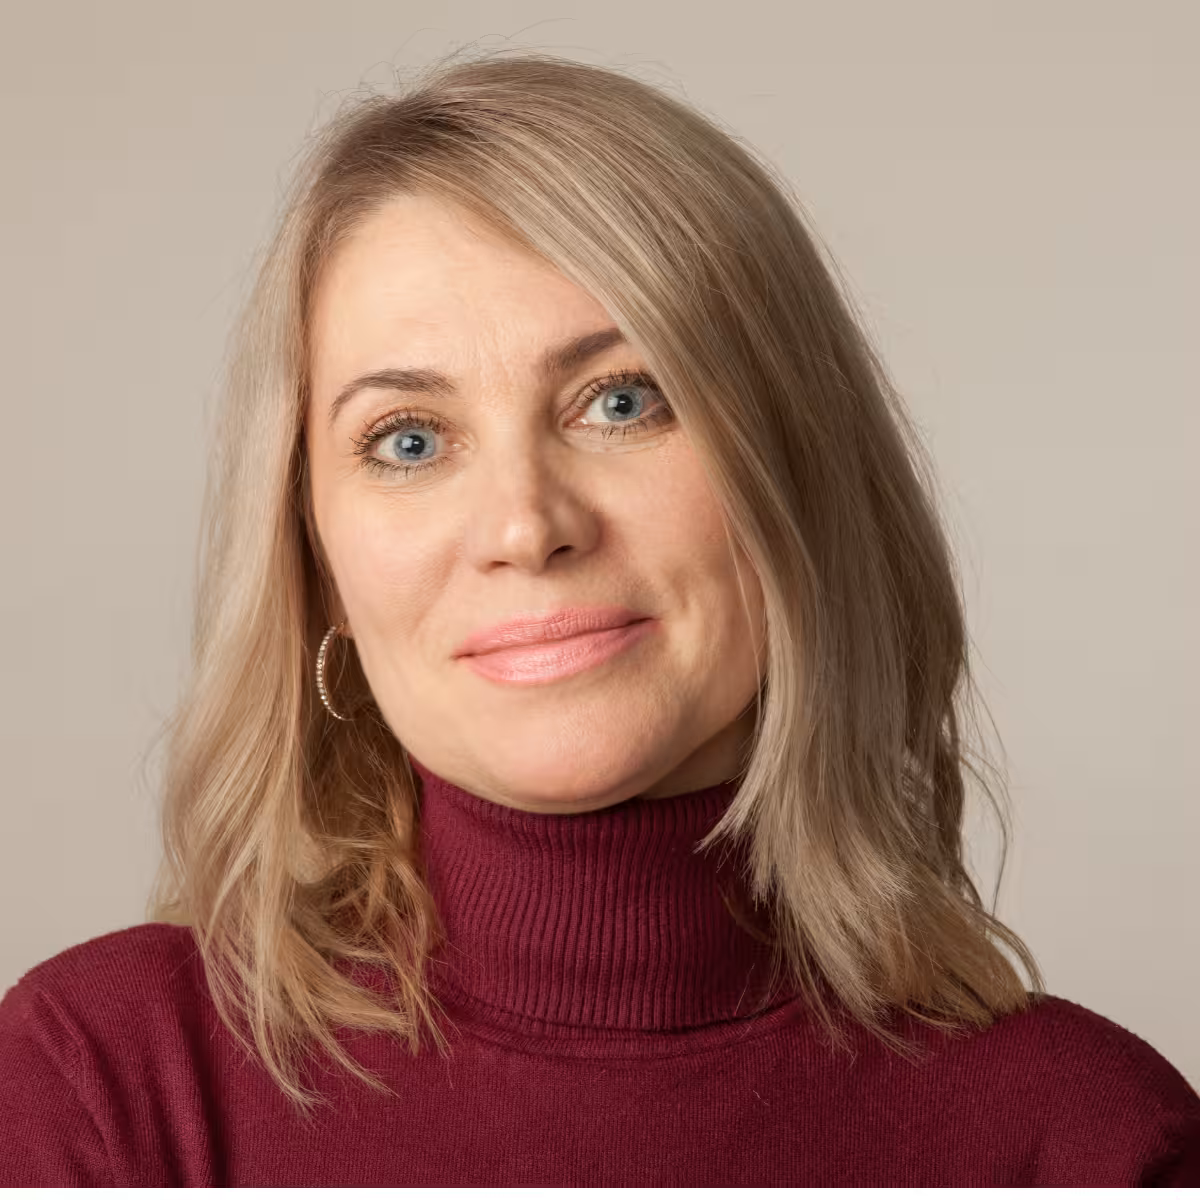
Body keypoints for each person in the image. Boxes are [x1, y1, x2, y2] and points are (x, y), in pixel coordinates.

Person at [1, 49, 1197, 1187]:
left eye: (621, 401)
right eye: (408, 440)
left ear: (798, 477)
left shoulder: (1089, 1145)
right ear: (316, 567)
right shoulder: (103, 1093)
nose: (525, 525)